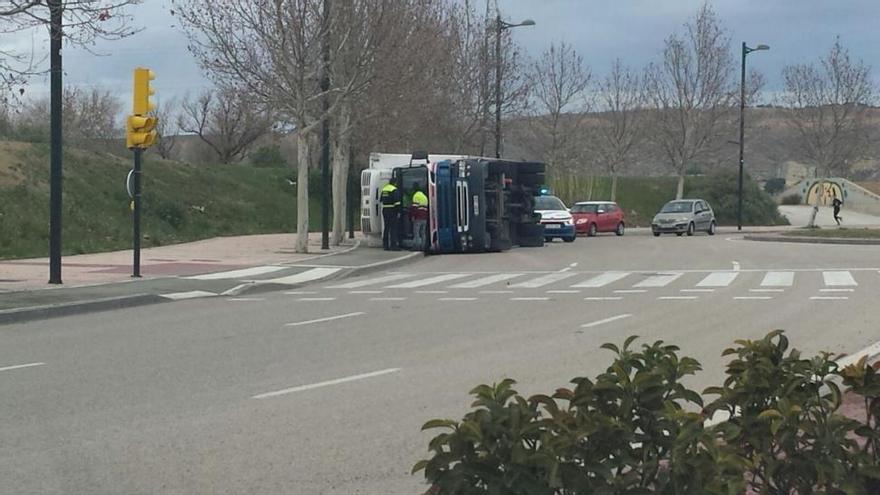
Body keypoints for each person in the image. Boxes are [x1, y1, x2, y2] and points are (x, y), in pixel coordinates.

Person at [380, 181, 402, 250]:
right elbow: (397, 202)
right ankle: (393, 246)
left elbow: (381, 200)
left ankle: (385, 245)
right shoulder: (394, 189)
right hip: (392, 210)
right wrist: (398, 212)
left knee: (386, 228)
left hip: (385, 210)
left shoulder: (384, 189)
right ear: (394, 183)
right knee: (393, 228)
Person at [410, 184, 428, 251]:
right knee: (423, 232)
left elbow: (414, 208)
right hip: (424, 217)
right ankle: (423, 246)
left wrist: (412, 216)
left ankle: (416, 247)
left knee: (416, 232)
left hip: (418, 217)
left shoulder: (416, 196)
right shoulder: (424, 197)